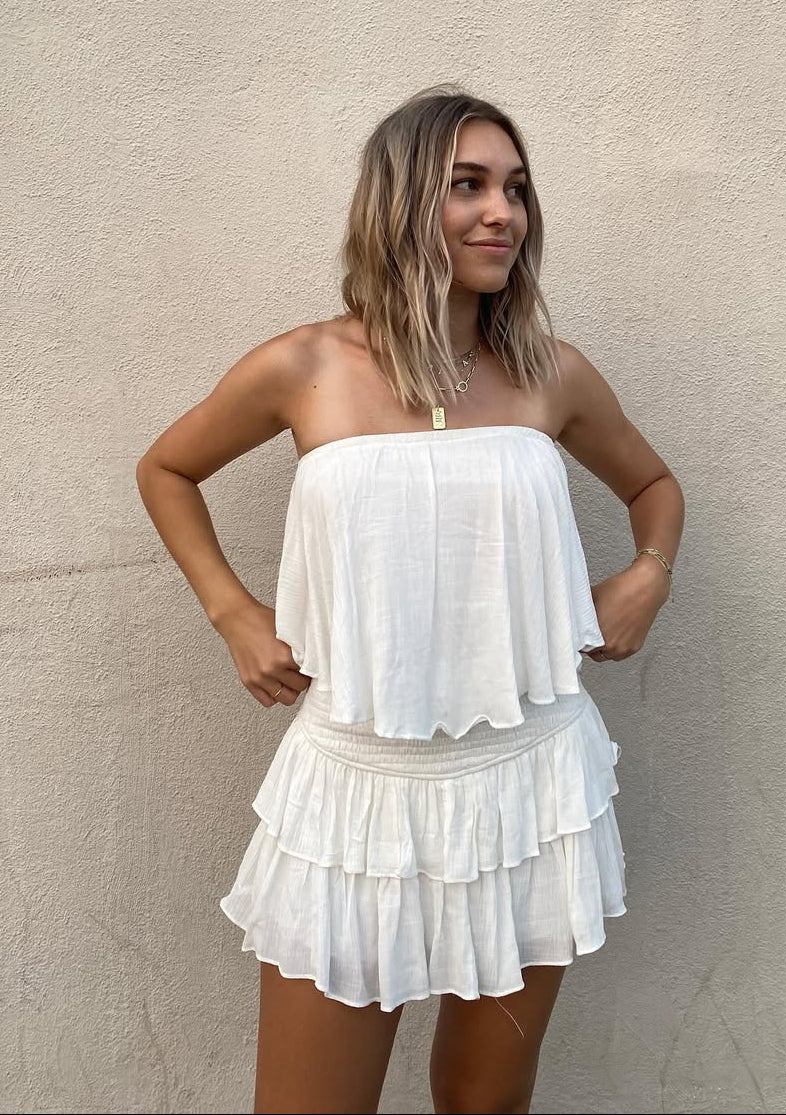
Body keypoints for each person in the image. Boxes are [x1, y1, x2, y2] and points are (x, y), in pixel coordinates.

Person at [136, 83, 685, 1115]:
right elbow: (166, 469)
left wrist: (647, 572)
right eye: (468, 185)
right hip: (357, 788)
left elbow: (654, 486)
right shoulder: (302, 364)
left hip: (529, 786)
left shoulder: (548, 372)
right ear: (399, 202)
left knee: (484, 1102)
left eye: (516, 189)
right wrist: (233, 612)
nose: (502, 213)